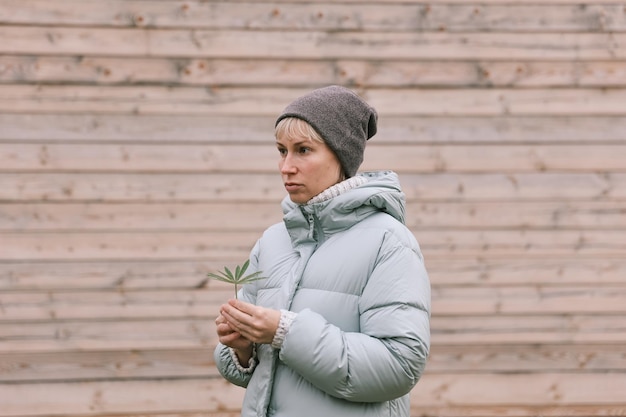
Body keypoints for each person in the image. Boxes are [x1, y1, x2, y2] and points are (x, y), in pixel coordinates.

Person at [214, 85, 431, 417]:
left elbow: (399, 367)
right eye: (281, 150)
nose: (286, 166)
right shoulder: (273, 242)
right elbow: (247, 372)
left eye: (303, 150)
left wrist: (286, 332)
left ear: (341, 156)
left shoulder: (389, 242)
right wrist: (242, 348)